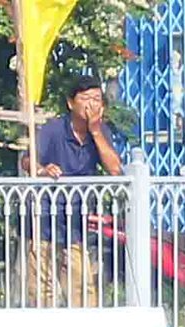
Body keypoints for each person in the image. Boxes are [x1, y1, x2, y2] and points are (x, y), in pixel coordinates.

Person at [31, 76, 127, 307]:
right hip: (46, 213)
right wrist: (43, 170)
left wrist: (95, 131)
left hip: (78, 217)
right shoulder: (53, 129)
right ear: (70, 103)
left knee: (81, 282)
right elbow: (29, 161)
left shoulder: (101, 131)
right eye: (84, 98)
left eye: (96, 99)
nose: (90, 104)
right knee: (41, 284)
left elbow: (114, 168)